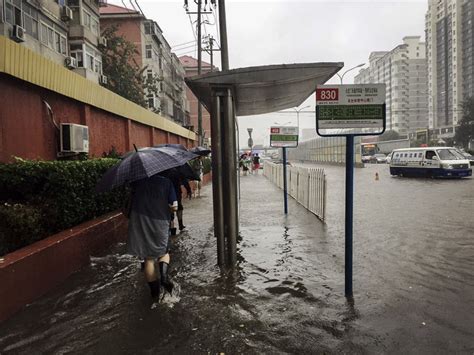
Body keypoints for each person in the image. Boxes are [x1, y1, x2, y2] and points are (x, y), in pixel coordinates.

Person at [126, 174, 177, 301]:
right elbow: (174, 206)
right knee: (163, 253)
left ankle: (155, 294)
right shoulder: (166, 182)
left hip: (140, 221)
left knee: (148, 258)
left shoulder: (136, 182)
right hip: (160, 221)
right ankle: (164, 278)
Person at [160, 166, 193, 235]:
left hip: (166, 193)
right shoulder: (177, 170)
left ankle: (172, 229)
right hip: (176, 193)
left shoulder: (162, 171)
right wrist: (189, 190)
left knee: (169, 210)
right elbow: (184, 180)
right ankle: (180, 225)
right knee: (179, 207)